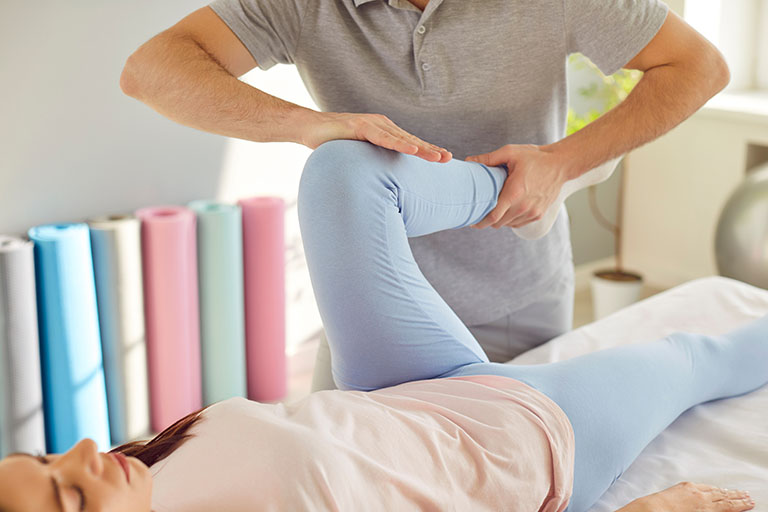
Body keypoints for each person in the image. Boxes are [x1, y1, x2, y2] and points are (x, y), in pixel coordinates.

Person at [0, 139, 764, 512]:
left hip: (408, 390)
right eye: (69, 498)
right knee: (697, 358)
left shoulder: (143, 474)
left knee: (341, 175)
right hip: (523, 439)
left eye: (46, 458)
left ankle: (530, 188)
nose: (88, 455)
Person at [117, 0, 731, 392]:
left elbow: (698, 65)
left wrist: (562, 164)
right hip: (361, 303)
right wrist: (310, 125)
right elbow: (151, 69)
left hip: (511, 297)